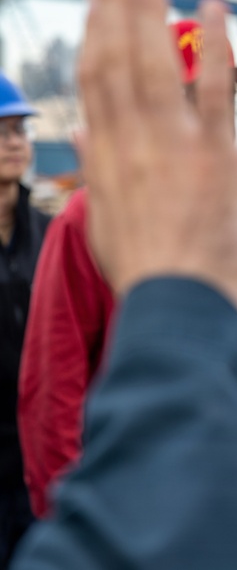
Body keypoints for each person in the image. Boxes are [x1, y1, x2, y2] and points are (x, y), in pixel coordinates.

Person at [11, 0, 237, 569]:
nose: (217, 113)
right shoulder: (89, 218)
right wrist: (67, 513)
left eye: (228, 96)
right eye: (197, 95)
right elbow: (53, 387)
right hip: (129, 509)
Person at [0, 74, 50, 568]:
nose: (15, 142)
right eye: (2, 130)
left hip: (38, 468)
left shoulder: (51, 236)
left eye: (21, 130)